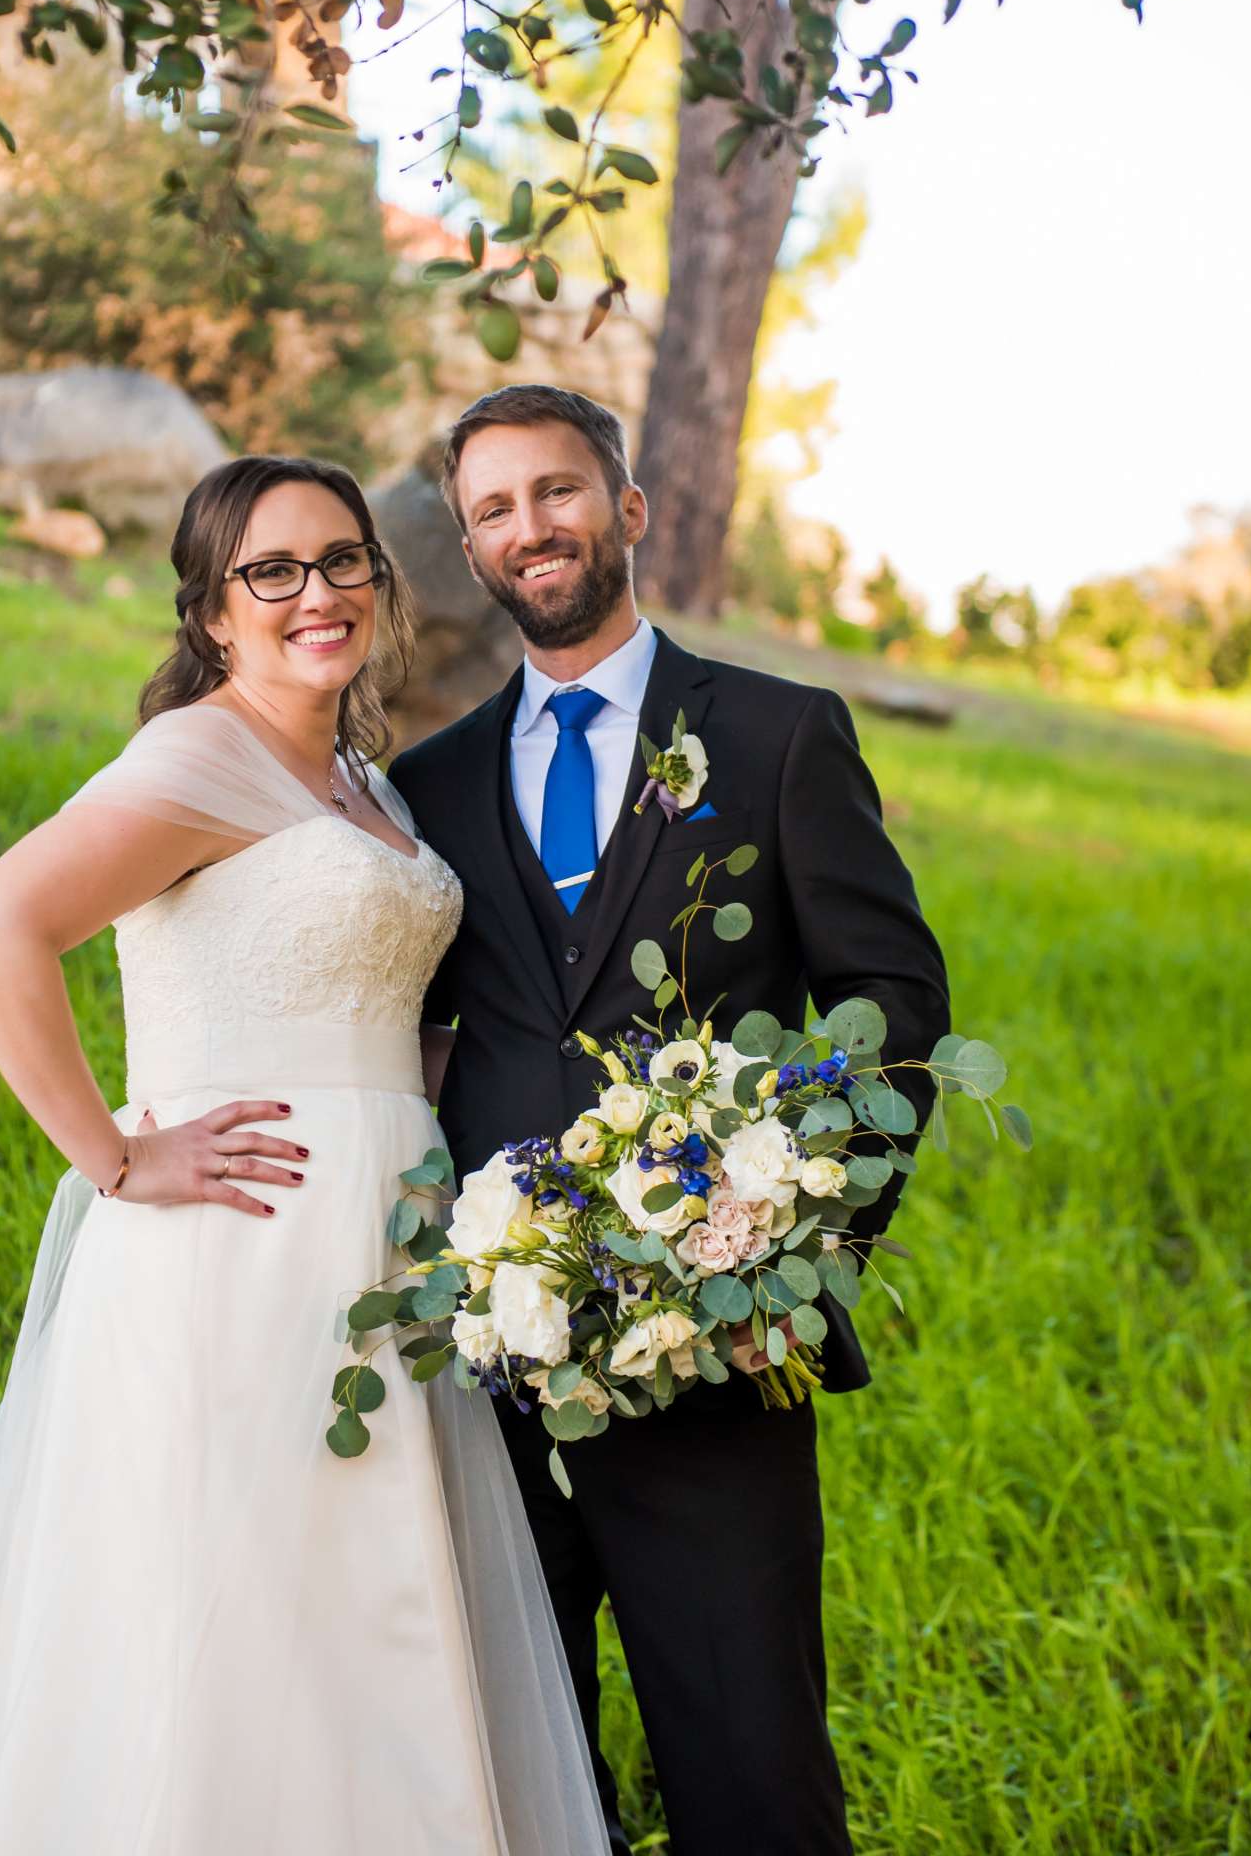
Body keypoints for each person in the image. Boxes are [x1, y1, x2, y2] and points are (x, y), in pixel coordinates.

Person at [0, 452, 606, 1856]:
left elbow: (365, 1019)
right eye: (271, 571)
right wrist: (117, 1159)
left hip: (387, 1243)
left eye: (342, 562)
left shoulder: (356, 779)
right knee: (237, 1607)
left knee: (361, 1612)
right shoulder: (199, 756)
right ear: (213, 610)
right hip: (238, 1248)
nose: (315, 594)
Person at [389, 384, 952, 1856]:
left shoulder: (774, 733)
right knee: (519, 1752)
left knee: (748, 1750)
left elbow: (889, 1003)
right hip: (497, 1360)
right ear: (470, 548)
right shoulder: (428, 787)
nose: (533, 528)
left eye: (559, 491)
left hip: (718, 1344)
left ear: (628, 508)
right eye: (496, 509)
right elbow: (412, 1027)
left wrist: (790, 1244)